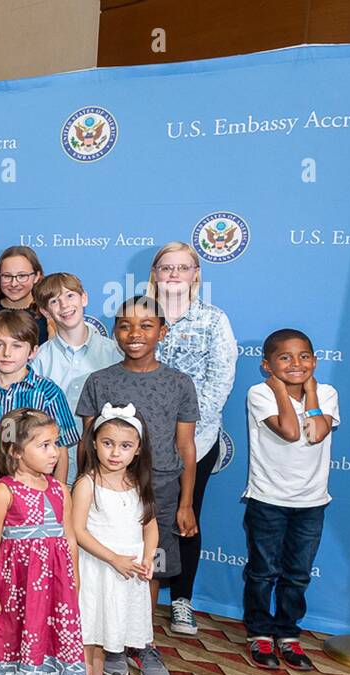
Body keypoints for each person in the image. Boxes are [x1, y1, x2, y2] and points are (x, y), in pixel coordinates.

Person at [0, 409, 121, 675]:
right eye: (45, 445)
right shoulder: (4, 491)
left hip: (55, 583)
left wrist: (74, 576)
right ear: (16, 451)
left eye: (55, 444)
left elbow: (68, 537)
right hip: (14, 584)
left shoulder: (58, 489)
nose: (55, 452)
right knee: (3, 637)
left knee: (52, 636)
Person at [78, 296, 199, 675]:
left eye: (147, 326)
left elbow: (186, 447)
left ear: (163, 332)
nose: (135, 334)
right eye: (126, 325)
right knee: (107, 566)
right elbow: (86, 441)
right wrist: (88, 488)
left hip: (159, 489)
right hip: (105, 492)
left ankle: (141, 642)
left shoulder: (179, 383)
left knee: (150, 567)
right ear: (115, 332)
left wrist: (185, 502)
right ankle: (111, 644)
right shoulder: (100, 381)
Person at [0, 310, 80, 642]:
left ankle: (26, 618)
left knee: (25, 558)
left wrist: (59, 493)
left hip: (35, 490)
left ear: (33, 351)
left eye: (17, 345)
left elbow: (62, 447)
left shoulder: (48, 392)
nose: (6, 353)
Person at [149, 241, 238, 638]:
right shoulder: (141, 313)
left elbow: (221, 379)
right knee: (139, 519)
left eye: (182, 267)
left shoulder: (214, 320)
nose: (173, 274)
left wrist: (186, 427)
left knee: (186, 518)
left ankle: (182, 600)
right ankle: (137, 597)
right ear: (155, 273)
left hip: (195, 440)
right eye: (166, 267)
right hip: (140, 440)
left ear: (196, 275)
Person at [242, 328, 338, 671]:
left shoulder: (325, 393)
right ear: (267, 365)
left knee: (297, 574)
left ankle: (287, 633)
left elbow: (316, 433)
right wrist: (283, 390)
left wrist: (310, 391)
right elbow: (291, 430)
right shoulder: (259, 393)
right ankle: (259, 632)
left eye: (304, 356)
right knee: (263, 571)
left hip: (311, 503)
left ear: (314, 360)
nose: (296, 363)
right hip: (267, 499)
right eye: (285, 358)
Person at [71, 405, 156, 675]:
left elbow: (150, 525)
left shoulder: (137, 484)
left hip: (125, 573)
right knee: (88, 635)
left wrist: (148, 557)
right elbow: (78, 531)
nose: (115, 453)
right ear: (94, 443)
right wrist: (113, 558)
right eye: (107, 443)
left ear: (137, 450)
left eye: (125, 446)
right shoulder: (87, 484)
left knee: (106, 633)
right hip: (97, 569)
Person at [30, 273, 121, 484]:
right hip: (55, 468)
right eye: (54, 301)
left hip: (104, 469)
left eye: (70, 296)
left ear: (84, 298)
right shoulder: (40, 359)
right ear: (45, 311)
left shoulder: (113, 353)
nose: (64, 305)